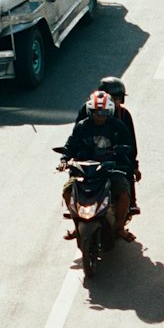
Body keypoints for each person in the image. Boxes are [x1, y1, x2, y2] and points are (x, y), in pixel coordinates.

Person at [61, 90, 135, 240]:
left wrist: (121, 153)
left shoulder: (118, 126)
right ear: (90, 111)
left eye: (103, 113)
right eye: (96, 112)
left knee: (123, 194)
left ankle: (120, 228)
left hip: (111, 169)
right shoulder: (82, 126)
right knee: (68, 190)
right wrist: (64, 160)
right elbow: (71, 145)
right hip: (85, 170)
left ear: (109, 112)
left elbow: (128, 145)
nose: (99, 116)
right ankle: (77, 226)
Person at [75, 76, 140, 214]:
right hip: (89, 159)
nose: (117, 102)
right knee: (73, 183)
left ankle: (131, 204)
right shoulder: (86, 111)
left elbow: (131, 143)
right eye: (114, 98)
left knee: (126, 176)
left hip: (113, 161)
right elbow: (76, 137)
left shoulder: (123, 115)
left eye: (119, 99)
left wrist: (134, 165)